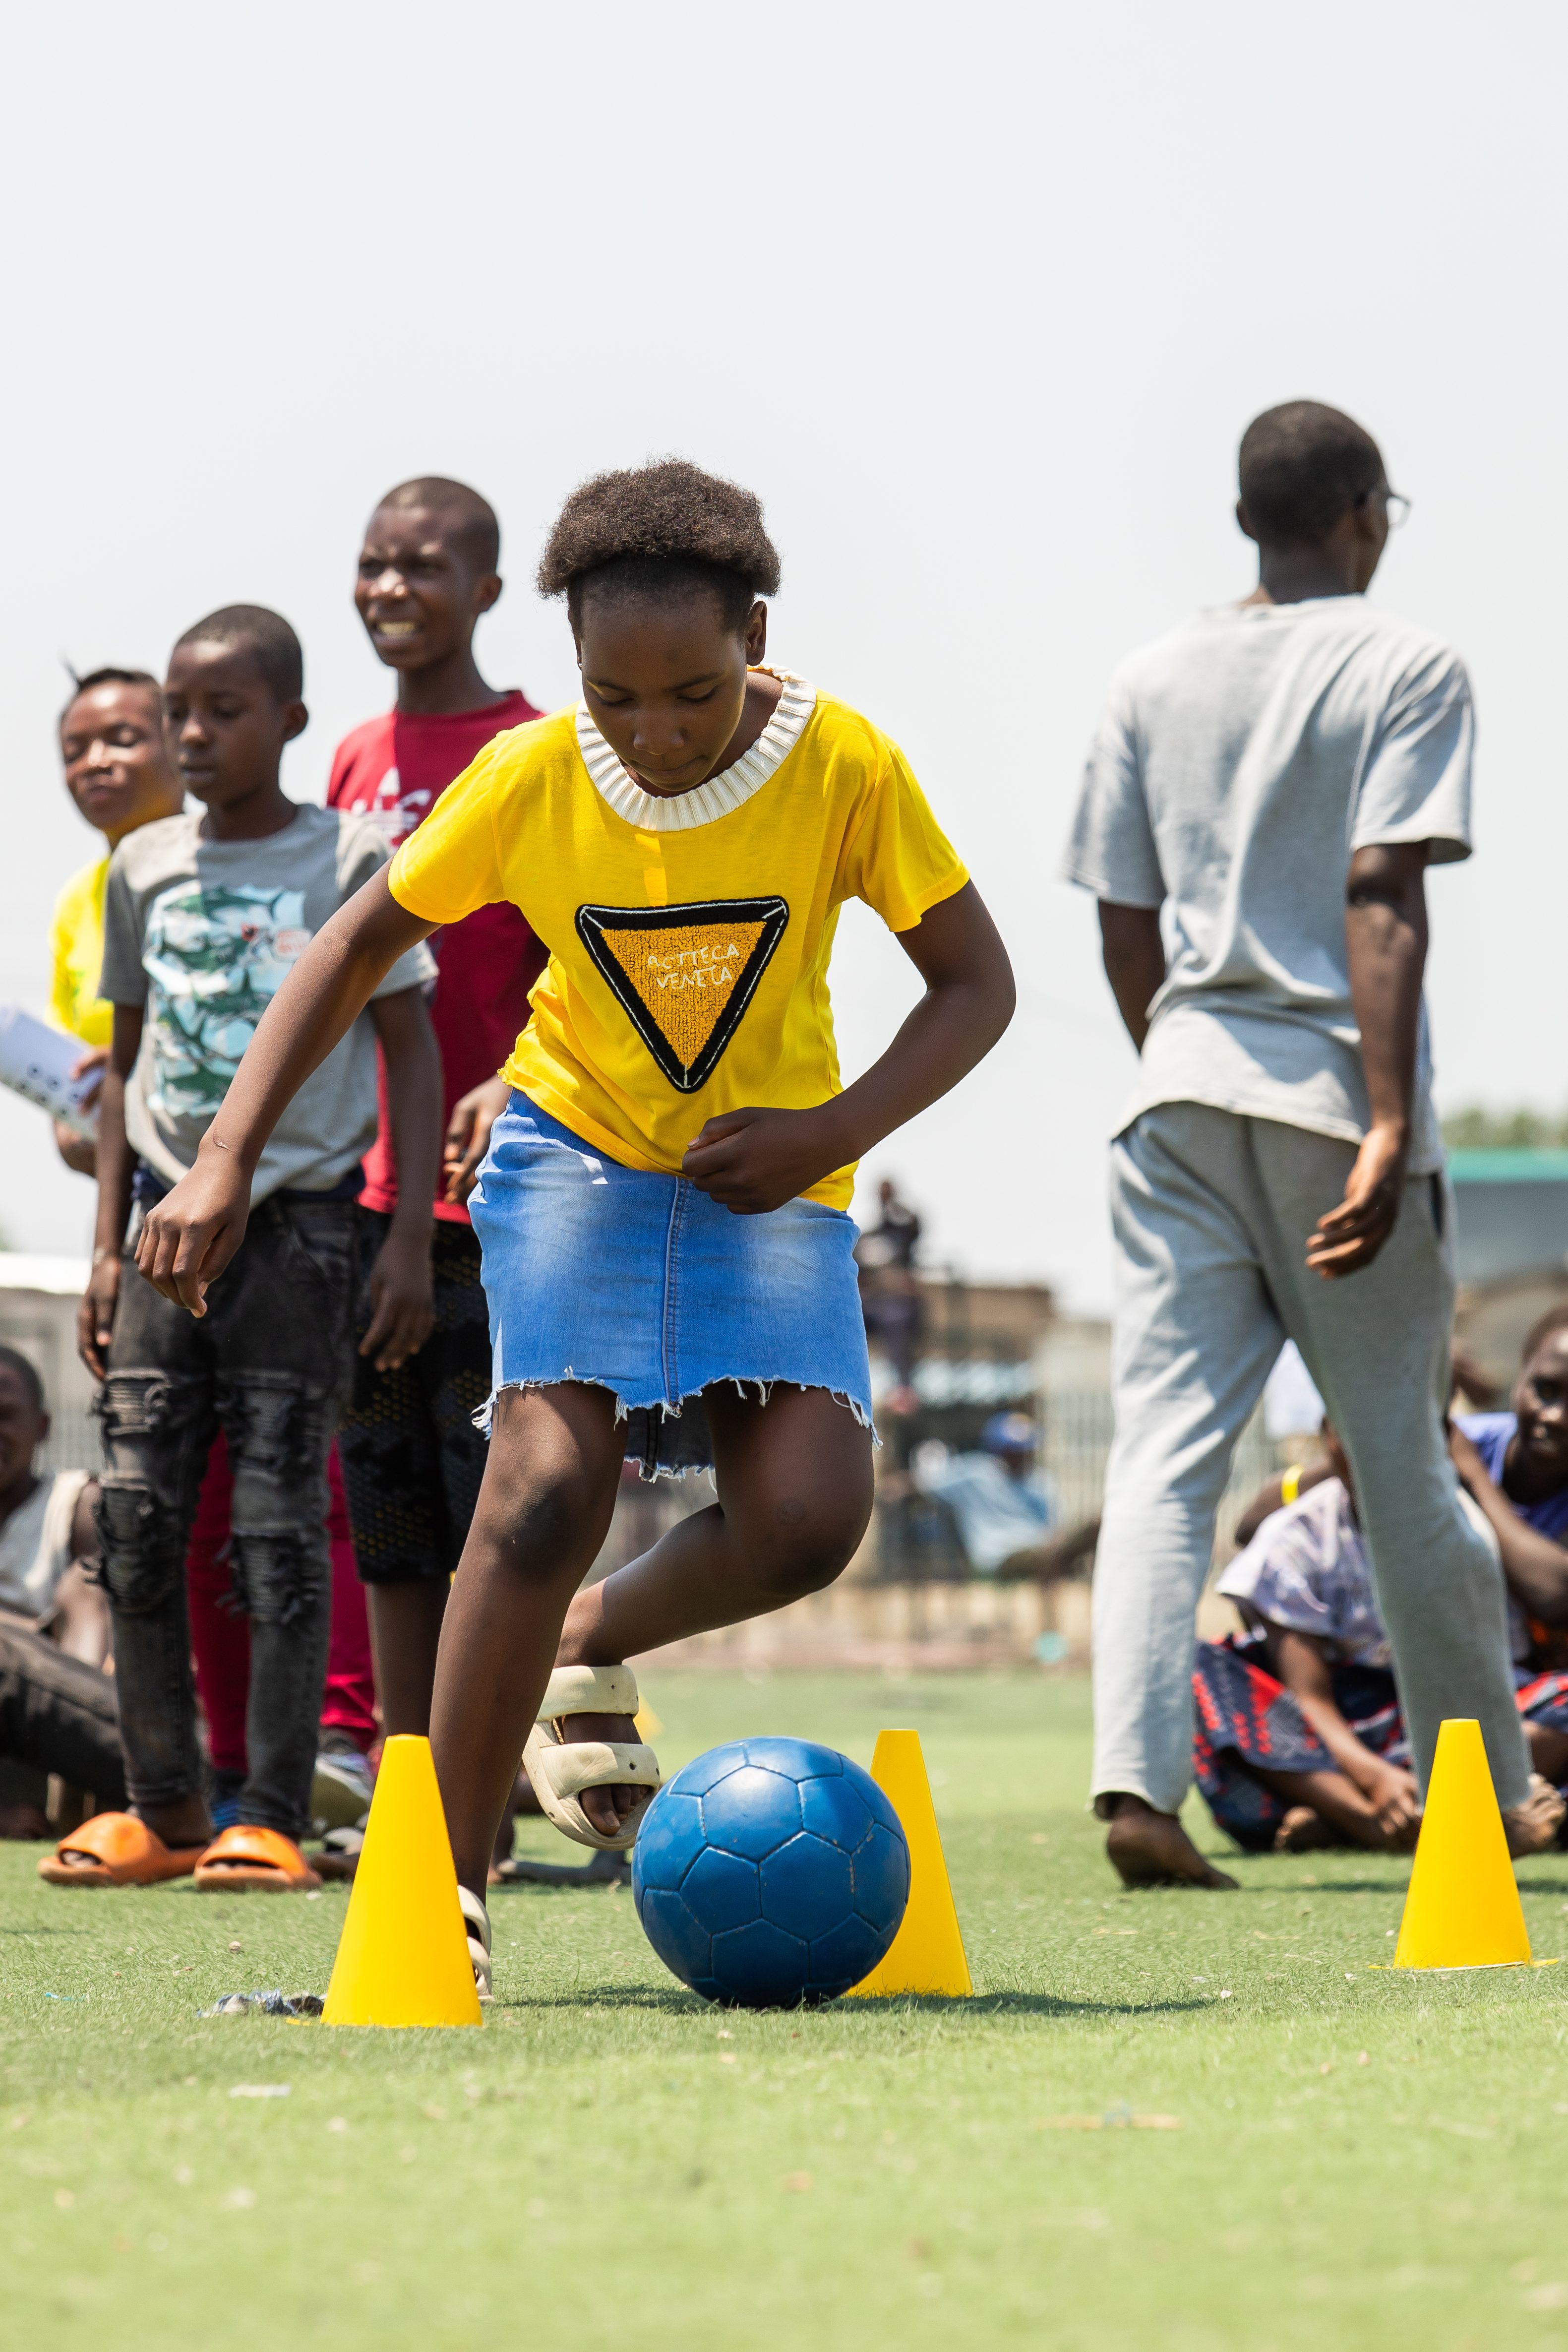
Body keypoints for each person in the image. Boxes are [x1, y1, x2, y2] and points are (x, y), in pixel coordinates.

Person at [127, 458, 1015, 1991]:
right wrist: (222, 1153)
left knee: (808, 1522)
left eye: (694, 693)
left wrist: (830, 1131)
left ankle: (578, 1639)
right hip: (572, 1150)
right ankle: (442, 1894)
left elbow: (974, 984)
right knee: (541, 1485)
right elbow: (354, 946)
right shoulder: (533, 773)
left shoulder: (844, 763)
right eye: (617, 696)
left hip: (767, 1168)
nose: (656, 733)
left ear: (755, 634)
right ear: (575, 664)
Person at [1062, 398, 1559, 1890]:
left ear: (1242, 521)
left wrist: (1181, 1058)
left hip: (1176, 1096)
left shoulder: (1147, 674)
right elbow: (1379, 886)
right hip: (1332, 1105)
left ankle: (1135, 1789)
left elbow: (1123, 919)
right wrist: (1389, 1113)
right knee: (1403, 1463)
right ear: (1364, 511)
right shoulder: (1403, 662)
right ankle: (1487, 1795)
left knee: (1161, 1454)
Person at [45, 605, 440, 1893]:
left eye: (225, 711)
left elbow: (412, 1047)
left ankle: (265, 1806)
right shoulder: (142, 865)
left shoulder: (356, 855)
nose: (194, 735)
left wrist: (403, 1236)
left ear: (291, 720)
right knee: (136, 1517)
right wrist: (106, 1246)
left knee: (275, 1527)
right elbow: (126, 1064)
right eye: (180, 713)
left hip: (304, 1230)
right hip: (162, 1229)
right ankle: (162, 1803)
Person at [323, 478, 545, 1819]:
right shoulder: (354, 758)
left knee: (499, 1513)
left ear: (487, 591)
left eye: (421, 565)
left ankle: (495, 1792)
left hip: (504, 1205)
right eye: (373, 564)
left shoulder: (534, 750)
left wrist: (515, 1077)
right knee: (391, 1516)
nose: (391, 588)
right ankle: (407, 1801)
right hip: (366, 1203)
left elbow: (587, 956)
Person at [50, 669, 184, 1173]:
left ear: (181, 744)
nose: (95, 762)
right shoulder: (77, 899)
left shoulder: (234, 874)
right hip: (132, 1190)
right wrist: (69, 1119)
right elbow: (67, 1049)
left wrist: (131, 1065)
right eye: (74, 752)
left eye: (122, 740)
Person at [0, 1347, 125, 1843]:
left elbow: (94, 1609)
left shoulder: (73, 1503)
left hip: (51, 1700)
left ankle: (73, 1781)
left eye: (6, 1416)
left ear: (43, 1426)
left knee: (87, 1586)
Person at [912, 1411, 1060, 1576]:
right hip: (997, 1560)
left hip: (1041, 1554)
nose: (1019, 1457)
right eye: (1012, 1451)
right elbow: (927, 1484)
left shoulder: (1041, 1481)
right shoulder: (975, 1474)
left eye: (1023, 1451)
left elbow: (1052, 1528)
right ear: (998, 1449)